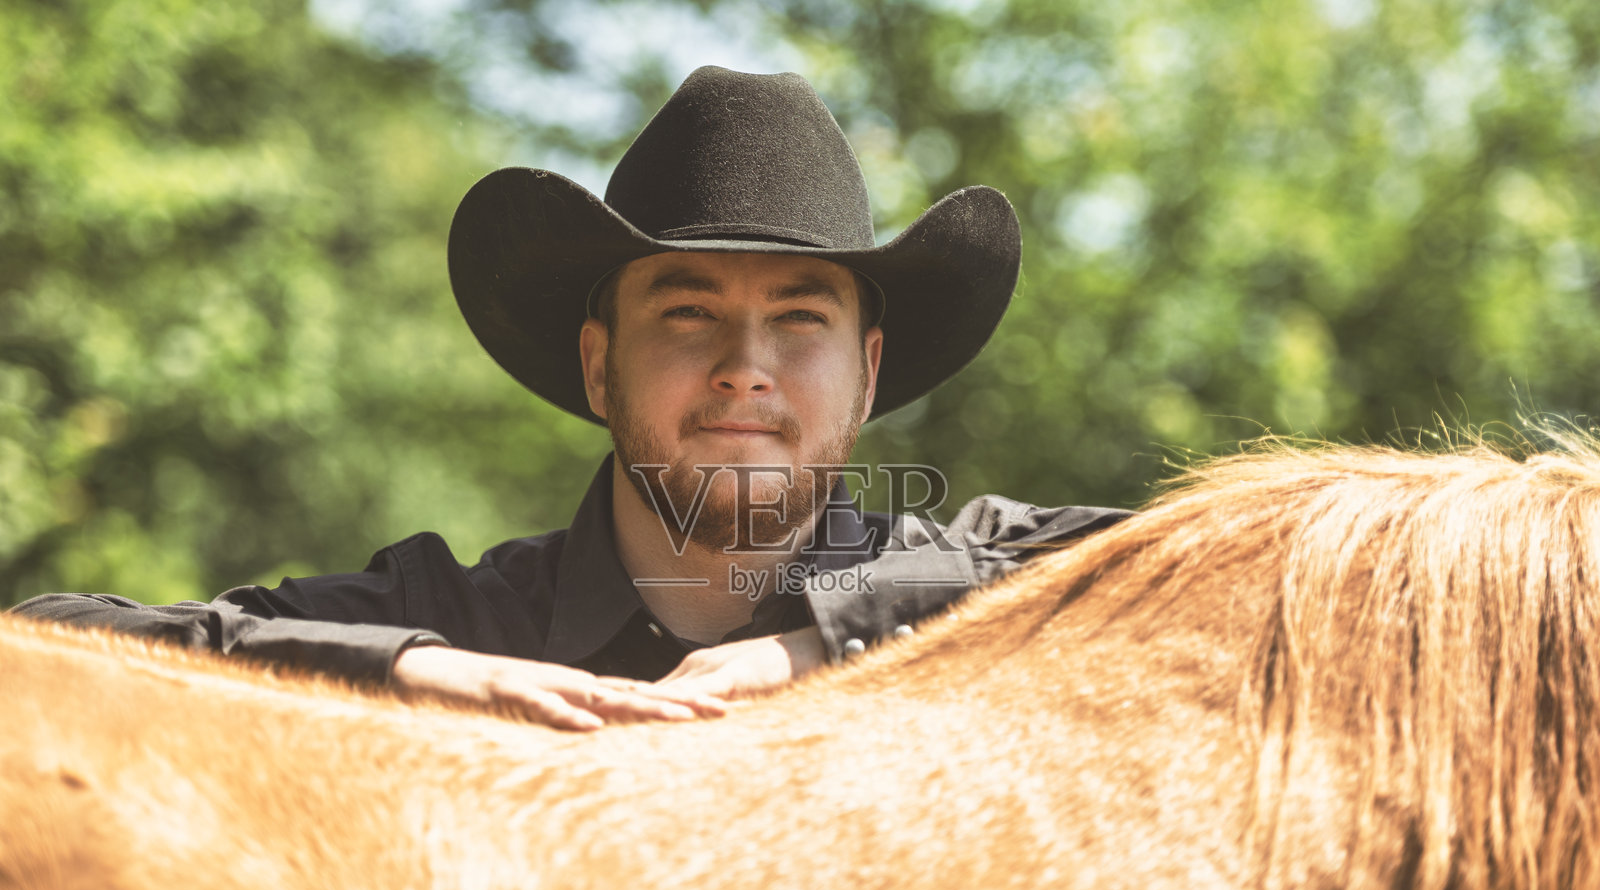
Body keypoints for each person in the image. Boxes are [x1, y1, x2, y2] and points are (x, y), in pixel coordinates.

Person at [12, 66, 1129, 730]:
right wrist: (410, 668)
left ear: (868, 371)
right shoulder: (462, 619)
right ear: (598, 364)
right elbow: (48, 640)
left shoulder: (964, 579)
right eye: (688, 312)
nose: (747, 364)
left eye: (799, 318)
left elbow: (1224, 548)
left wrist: (818, 641)